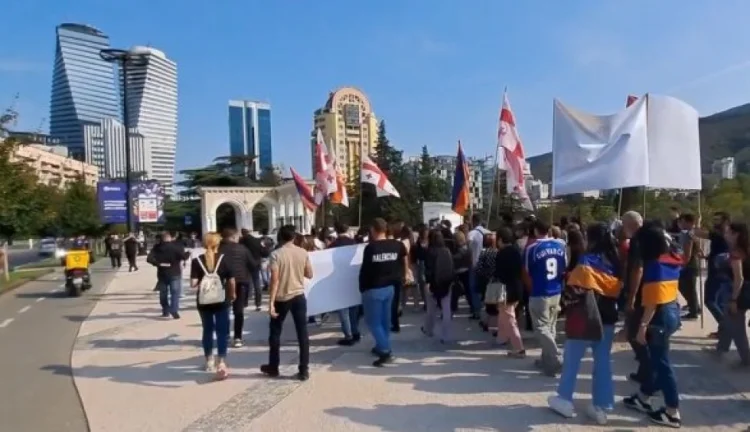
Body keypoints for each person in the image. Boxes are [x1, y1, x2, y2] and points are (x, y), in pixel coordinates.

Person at [548, 223, 621, 425]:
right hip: (607, 319)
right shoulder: (617, 262)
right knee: (603, 362)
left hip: (585, 318)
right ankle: (601, 406)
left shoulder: (586, 261)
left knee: (572, 360)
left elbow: (574, 291)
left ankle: (564, 399)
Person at [623, 221, 683, 428]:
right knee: (658, 362)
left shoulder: (654, 266)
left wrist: (642, 327)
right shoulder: (673, 259)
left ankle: (672, 412)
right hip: (673, 311)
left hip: (658, 318)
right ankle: (643, 397)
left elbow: (652, 302)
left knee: (663, 367)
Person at [261, 225, 313, 381]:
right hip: (298, 295)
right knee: (302, 333)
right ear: (293, 237)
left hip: (281, 297)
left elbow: (274, 280)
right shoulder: (303, 252)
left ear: (280, 237)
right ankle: (303, 369)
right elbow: (309, 274)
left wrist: (270, 303)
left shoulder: (275, 254)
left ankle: (273, 366)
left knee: (275, 333)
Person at [359, 218, 407, 367]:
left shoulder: (371, 248)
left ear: (373, 230)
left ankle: (386, 351)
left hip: (373, 287)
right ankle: (381, 346)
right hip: (390, 287)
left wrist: (362, 287)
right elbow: (403, 263)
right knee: (385, 321)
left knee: (373, 322)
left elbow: (365, 270)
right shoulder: (398, 245)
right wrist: (404, 277)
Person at [524, 219, 566, 376]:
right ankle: (547, 360)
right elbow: (564, 268)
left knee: (541, 328)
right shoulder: (560, 246)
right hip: (556, 290)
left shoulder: (532, 248)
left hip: (539, 291)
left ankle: (555, 356)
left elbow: (527, 271)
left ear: (535, 230)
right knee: (551, 327)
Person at [191, 232, 236, 380]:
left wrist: (203, 279)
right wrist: (232, 295)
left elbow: (193, 284)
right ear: (218, 244)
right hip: (220, 299)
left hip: (204, 301)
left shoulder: (197, 260)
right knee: (222, 331)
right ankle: (221, 361)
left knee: (207, 329)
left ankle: (209, 360)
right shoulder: (224, 259)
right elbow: (231, 281)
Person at [715, 222, 750, 367]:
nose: (725, 234)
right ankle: (722, 346)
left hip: (741, 292)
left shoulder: (736, 253)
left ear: (736, 234)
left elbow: (739, 278)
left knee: (737, 328)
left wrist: (734, 299)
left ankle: (746, 360)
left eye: (728, 232)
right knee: (730, 320)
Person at [219, 229, 258, 348]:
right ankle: (237, 337)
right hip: (241, 282)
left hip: (222, 282)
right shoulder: (243, 249)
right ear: (234, 237)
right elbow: (253, 265)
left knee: (222, 310)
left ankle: (224, 335)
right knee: (238, 311)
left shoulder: (218, 249)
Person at [492, 227, 525, 357]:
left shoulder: (501, 254)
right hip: (517, 287)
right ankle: (502, 338)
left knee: (509, 318)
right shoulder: (516, 251)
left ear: (500, 239)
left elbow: (499, 273)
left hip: (505, 290)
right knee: (505, 314)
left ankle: (519, 347)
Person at [329, 222, 361, 346]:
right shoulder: (354, 244)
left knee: (343, 309)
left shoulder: (332, 245)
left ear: (336, 230)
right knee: (354, 307)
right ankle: (355, 331)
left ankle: (348, 335)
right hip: (353, 278)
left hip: (338, 278)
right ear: (347, 229)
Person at [422, 230, 454, 343]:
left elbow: (428, 270)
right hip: (447, 283)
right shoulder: (447, 250)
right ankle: (446, 336)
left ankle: (428, 329)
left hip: (433, 284)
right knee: (446, 310)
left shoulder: (429, 252)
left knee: (431, 310)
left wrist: (428, 282)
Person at [147, 232, 187, 319]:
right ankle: (174, 309)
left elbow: (149, 259)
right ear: (169, 238)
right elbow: (183, 257)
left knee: (163, 293)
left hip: (162, 273)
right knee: (175, 293)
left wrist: (158, 264)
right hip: (175, 272)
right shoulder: (175, 247)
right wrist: (188, 254)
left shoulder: (156, 247)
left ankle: (165, 310)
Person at [677, 213, 700, 320]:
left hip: (689, 265)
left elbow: (687, 253)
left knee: (688, 288)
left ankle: (694, 311)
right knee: (687, 288)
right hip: (691, 264)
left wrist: (682, 265)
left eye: (682, 221)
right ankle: (694, 307)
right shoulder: (692, 234)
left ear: (688, 222)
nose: (681, 224)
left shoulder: (688, 234)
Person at [467, 214, 488, 320]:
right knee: (486, 288)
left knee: (474, 288)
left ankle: (477, 312)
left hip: (475, 264)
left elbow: (469, 250)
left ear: (473, 221)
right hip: (488, 265)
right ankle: (488, 310)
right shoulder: (488, 232)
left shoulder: (471, 234)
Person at [239, 228, 264, 311]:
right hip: (256, 264)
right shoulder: (257, 241)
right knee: (257, 284)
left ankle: (244, 303)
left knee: (246, 284)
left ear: (242, 233)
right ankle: (258, 304)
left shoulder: (241, 241)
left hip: (245, 265)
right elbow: (263, 252)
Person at [451, 231, 473, 316]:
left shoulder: (459, 250)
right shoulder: (468, 248)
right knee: (468, 290)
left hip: (459, 271)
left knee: (455, 290)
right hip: (467, 270)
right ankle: (472, 306)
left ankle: (453, 307)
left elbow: (456, 258)